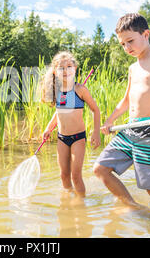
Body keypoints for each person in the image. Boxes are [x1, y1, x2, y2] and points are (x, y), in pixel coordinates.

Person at [93, 13, 150, 213]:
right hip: (129, 129)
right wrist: (110, 120)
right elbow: (126, 100)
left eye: (130, 41)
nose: (127, 48)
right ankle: (133, 207)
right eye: (122, 44)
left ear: (145, 34)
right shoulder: (132, 68)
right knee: (100, 169)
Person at [41, 51, 101, 197]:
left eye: (69, 66)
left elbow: (95, 110)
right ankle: (68, 202)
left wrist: (96, 132)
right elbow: (58, 112)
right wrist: (49, 128)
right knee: (63, 175)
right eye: (61, 68)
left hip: (77, 138)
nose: (65, 70)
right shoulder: (57, 91)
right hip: (62, 138)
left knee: (75, 175)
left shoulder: (80, 89)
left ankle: (80, 205)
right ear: (55, 72)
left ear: (74, 68)